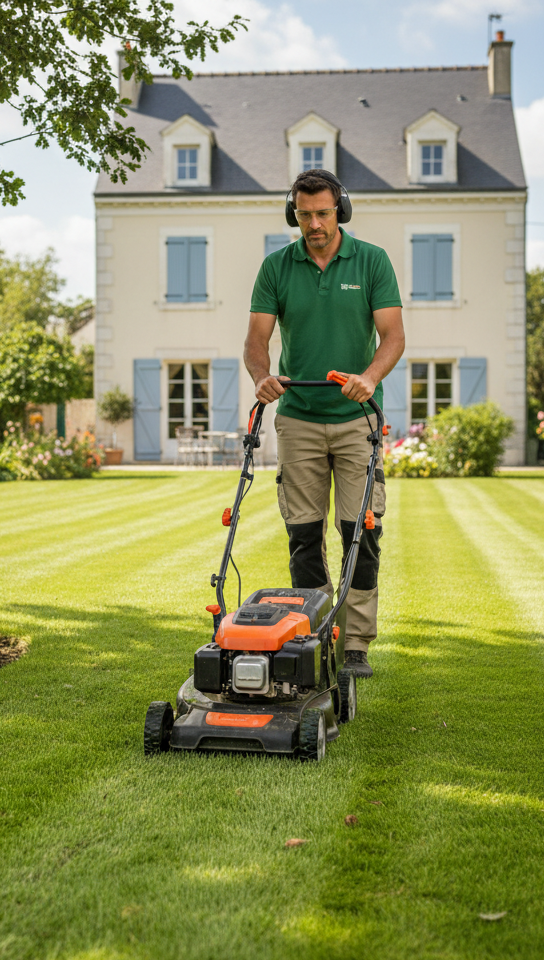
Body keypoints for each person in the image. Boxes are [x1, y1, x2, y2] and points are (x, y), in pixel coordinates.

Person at [244, 169, 405, 678]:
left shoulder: (372, 261)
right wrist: (262, 377)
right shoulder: (276, 267)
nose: (314, 223)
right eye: (304, 214)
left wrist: (369, 376)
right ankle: (315, 633)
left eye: (323, 213)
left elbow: (394, 338)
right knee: (304, 534)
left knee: (362, 530)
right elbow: (255, 342)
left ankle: (355, 642)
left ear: (341, 211)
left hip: (357, 419)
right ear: (294, 213)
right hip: (299, 419)